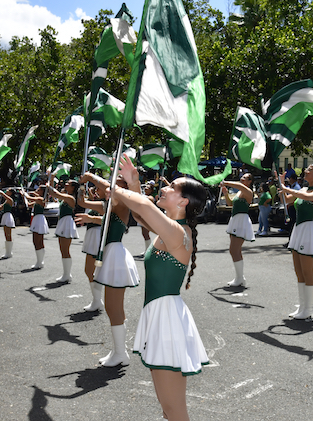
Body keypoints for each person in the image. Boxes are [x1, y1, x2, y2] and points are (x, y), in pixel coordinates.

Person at [112, 154, 208, 420]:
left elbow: (142, 204)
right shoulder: (172, 229)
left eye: (172, 186)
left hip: (167, 321)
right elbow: (140, 211)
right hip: (162, 314)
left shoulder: (177, 232)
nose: (164, 187)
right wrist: (132, 183)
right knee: (170, 410)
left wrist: (111, 185)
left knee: (174, 410)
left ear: (183, 201)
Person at [77, 171, 140, 367]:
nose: (110, 187)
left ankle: (121, 353)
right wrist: (81, 186)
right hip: (110, 254)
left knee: (114, 307)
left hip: (115, 255)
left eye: (117, 184)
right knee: (114, 308)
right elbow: (83, 203)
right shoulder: (110, 206)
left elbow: (109, 188)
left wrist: (91, 176)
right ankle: (119, 349)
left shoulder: (121, 204)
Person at [279, 164, 313, 320]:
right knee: (298, 271)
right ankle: (302, 306)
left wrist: (287, 189)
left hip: (307, 230)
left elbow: (304, 198)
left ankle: (310, 309)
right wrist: (282, 186)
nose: (305, 171)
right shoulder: (303, 189)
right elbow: (287, 200)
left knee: (307, 272)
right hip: (298, 230)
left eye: (309, 170)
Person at [74, 179, 105, 312]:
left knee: (92, 271)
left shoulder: (105, 204)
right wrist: (82, 187)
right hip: (93, 236)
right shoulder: (99, 203)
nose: (95, 191)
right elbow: (81, 201)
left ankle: (97, 300)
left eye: (98, 189)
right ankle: (97, 300)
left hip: (97, 236)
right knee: (90, 270)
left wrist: (83, 186)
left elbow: (82, 202)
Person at [221, 173, 255, 286]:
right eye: (242, 177)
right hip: (235, 220)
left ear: (249, 181)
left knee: (233, 250)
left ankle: (240, 278)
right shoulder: (239, 192)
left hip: (241, 221)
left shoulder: (248, 192)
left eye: (244, 178)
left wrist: (225, 182)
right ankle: (240, 277)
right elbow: (230, 204)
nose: (241, 178)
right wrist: (226, 193)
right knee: (235, 250)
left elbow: (239, 186)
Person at [47, 179, 79, 282]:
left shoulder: (70, 198)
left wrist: (49, 186)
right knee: (63, 250)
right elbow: (53, 192)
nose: (65, 184)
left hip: (67, 222)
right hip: (62, 222)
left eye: (68, 184)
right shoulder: (66, 196)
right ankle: (66, 274)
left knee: (65, 250)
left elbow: (55, 193)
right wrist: (51, 179)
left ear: (73, 187)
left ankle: (67, 275)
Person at [22, 186, 49, 269]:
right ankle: (40, 261)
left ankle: (39, 262)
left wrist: (25, 193)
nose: (36, 190)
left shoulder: (40, 199)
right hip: (38, 219)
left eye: (39, 189)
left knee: (37, 241)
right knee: (38, 241)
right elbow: (29, 205)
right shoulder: (39, 199)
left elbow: (29, 197)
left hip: (39, 220)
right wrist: (24, 196)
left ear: (42, 191)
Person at [0, 187, 15, 259]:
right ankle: (7, 252)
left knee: (8, 235)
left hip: (8, 216)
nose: (6, 191)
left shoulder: (10, 200)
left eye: (8, 190)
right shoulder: (6, 201)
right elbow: (0, 208)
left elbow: (2, 194)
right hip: (5, 216)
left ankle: (9, 252)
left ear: (11, 193)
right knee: (6, 235)